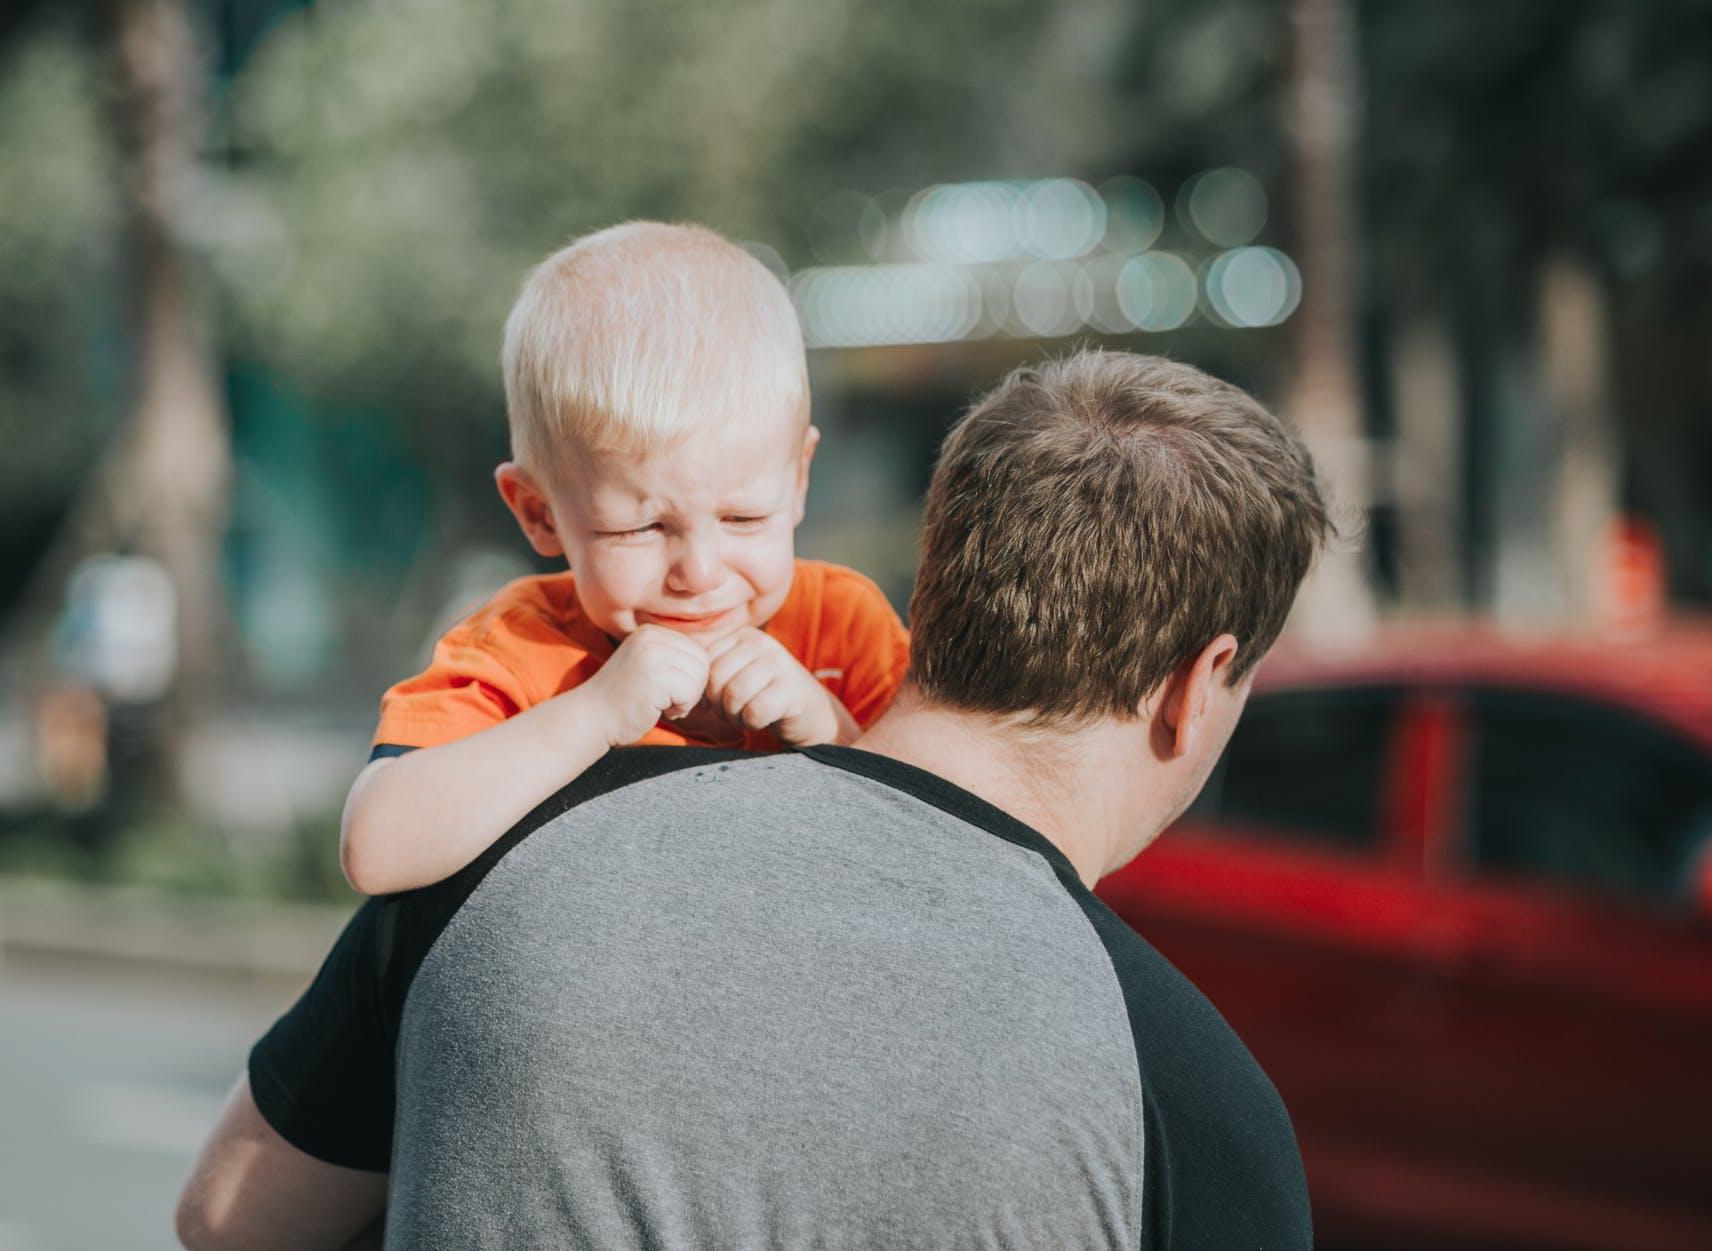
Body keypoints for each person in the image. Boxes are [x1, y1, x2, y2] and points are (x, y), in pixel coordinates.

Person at [178, 348, 1328, 1251]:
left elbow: (228, 1219)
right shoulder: (1191, 1103)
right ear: (1191, 688)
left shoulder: (504, 854)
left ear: (937, 582)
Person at [337, 221, 910, 897]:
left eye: (743, 517)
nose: (699, 573)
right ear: (538, 512)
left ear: (800, 479)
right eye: (639, 528)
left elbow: (948, 848)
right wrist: (592, 713)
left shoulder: (842, 627)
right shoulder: (520, 648)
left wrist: (829, 728)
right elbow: (377, 849)